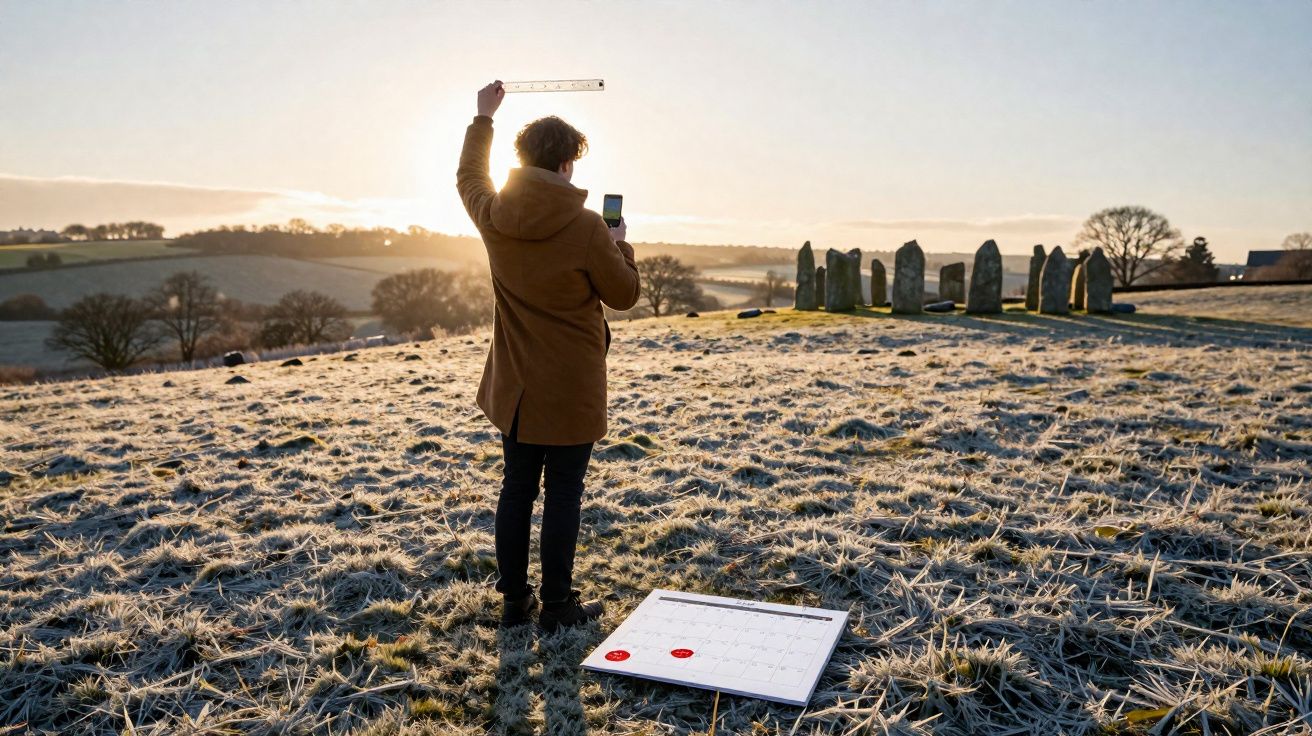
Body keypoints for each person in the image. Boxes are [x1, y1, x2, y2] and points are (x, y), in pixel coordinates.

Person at [457, 80, 641, 631]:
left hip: (515, 387)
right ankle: (558, 606)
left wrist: (482, 117)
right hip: (571, 388)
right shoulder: (588, 228)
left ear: (522, 159)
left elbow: (468, 177)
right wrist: (620, 245)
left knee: (516, 488)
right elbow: (625, 295)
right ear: (565, 165)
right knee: (564, 493)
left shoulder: (492, 214)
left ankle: (515, 601)